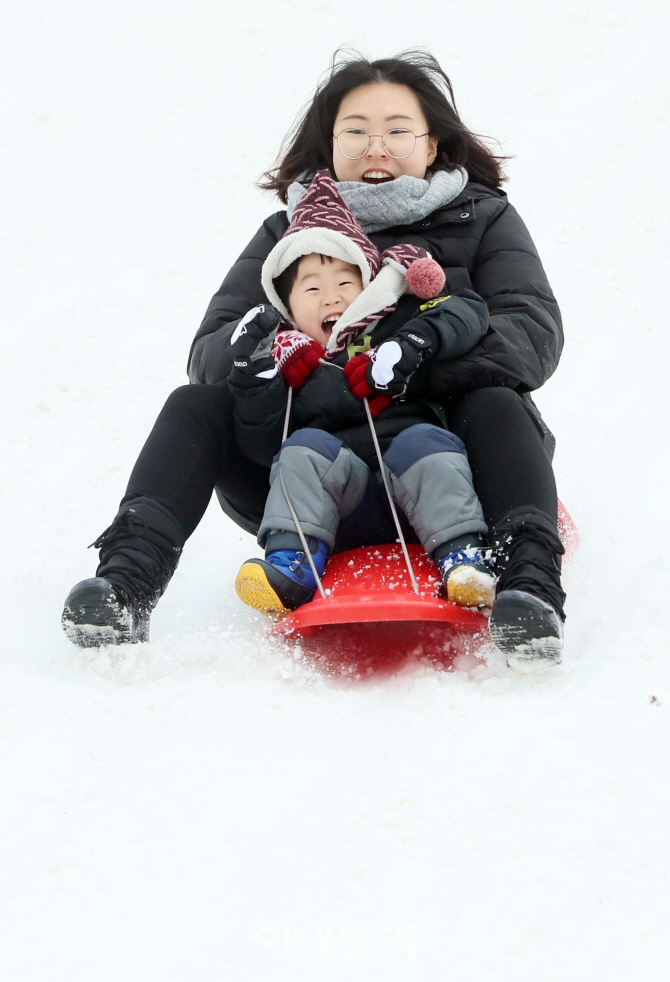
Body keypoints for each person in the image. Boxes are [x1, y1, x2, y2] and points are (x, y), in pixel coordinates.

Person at [62, 49, 566, 673]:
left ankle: (529, 589)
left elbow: (531, 332)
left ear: (433, 144)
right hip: (305, 479)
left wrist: (413, 359)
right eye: (354, 132)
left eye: (396, 131)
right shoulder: (283, 237)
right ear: (329, 145)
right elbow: (212, 348)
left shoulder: (483, 219)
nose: (374, 147)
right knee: (194, 404)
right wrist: (270, 360)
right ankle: (124, 587)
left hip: (448, 466)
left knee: (497, 401)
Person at [229, 168, 496, 616]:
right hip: (339, 512)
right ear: (287, 306)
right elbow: (260, 447)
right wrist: (253, 386)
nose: (331, 298)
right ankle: (292, 563)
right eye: (312, 288)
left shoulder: (395, 321)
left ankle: (463, 557)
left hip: (418, 498)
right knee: (301, 450)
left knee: (423, 441)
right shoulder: (284, 358)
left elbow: (466, 309)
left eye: (345, 283)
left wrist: (411, 343)